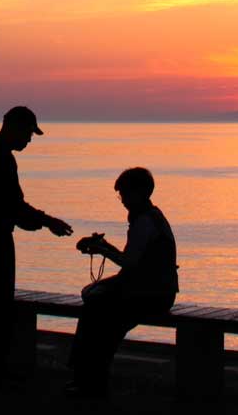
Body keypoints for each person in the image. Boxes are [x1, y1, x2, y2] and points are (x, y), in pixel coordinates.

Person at [0, 105, 73, 390]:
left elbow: (12, 207)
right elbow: (12, 205)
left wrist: (37, 221)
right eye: (28, 133)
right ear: (12, 127)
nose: (29, 140)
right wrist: (47, 221)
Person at [68, 166, 178, 399]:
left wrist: (102, 250)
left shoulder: (144, 222)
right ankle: (87, 378)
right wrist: (105, 248)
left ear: (139, 193)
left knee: (97, 312)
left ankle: (86, 378)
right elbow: (133, 260)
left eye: (124, 195)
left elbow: (129, 263)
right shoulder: (151, 217)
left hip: (150, 294)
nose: (123, 201)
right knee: (95, 305)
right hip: (154, 290)